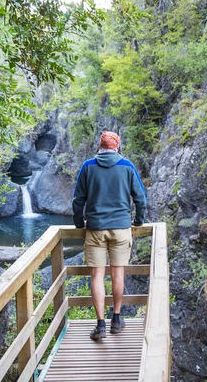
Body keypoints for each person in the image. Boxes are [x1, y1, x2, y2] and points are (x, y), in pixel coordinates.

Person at [72, 131, 147, 340]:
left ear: (99, 146)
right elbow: (140, 199)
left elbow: (78, 200)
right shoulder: (128, 167)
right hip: (122, 228)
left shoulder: (88, 167)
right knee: (117, 273)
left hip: (95, 228)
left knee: (96, 275)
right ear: (117, 146)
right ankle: (116, 318)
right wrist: (139, 221)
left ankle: (100, 325)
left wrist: (79, 223)